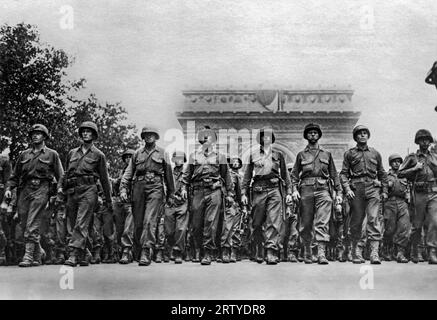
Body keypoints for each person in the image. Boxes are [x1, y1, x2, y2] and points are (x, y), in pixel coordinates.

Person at [5, 124, 64, 267]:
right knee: (24, 221)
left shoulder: (52, 154)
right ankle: (39, 254)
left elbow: (61, 175)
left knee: (32, 222)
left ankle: (29, 256)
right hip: (25, 189)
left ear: (44, 136)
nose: (35, 136)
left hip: (42, 188)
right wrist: (8, 188)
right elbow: (15, 175)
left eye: (38, 133)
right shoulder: (24, 154)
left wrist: (60, 189)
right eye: (33, 133)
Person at [120, 126, 175, 266]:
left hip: (155, 187)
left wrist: (171, 194)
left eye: (152, 135)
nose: (149, 137)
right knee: (138, 221)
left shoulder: (162, 153)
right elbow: (128, 173)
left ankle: (146, 250)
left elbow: (169, 175)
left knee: (149, 220)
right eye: (146, 135)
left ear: (156, 137)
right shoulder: (137, 153)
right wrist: (123, 190)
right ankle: (136, 250)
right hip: (138, 187)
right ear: (143, 137)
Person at [181, 126, 233, 266]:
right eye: (203, 136)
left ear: (214, 140)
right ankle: (197, 249)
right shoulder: (193, 156)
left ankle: (208, 252)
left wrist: (230, 194)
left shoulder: (220, 157)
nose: (206, 138)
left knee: (211, 223)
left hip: (214, 191)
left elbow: (226, 176)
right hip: (197, 191)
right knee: (197, 224)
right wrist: (183, 188)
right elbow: (186, 175)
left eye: (209, 135)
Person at [62, 121, 112, 267]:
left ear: (94, 135)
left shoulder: (99, 155)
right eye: (83, 131)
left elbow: (104, 178)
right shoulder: (72, 153)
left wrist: (108, 199)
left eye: (89, 131)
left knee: (80, 221)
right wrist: (62, 191)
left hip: (89, 190)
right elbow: (66, 174)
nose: (85, 133)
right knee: (78, 223)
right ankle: (87, 252)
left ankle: (73, 254)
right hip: (73, 190)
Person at [290, 123, 342, 264]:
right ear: (306, 136)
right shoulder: (301, 155)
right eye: (310, 132)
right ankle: (307, 251)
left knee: (322, 222)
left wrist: (338, 194)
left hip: (323, 189)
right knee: (306, 223)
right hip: (306, 189)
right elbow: (294, 176)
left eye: (315, 132)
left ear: (319, 135)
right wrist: (294, 190)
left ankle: (321, 253)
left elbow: (334, 175)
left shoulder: (327, 154)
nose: (312, 134)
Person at [241, 127, 293, 265]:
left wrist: (288, 192)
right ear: (261, 139)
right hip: (258, 189)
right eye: (264, 136)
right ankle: (258, 249)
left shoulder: (278, 155)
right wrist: (243, 193)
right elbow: (246, 177)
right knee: (257, 222)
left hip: (275, 188)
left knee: (273, 221)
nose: (266, 139)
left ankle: (271, 251)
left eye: (269, 136)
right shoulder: (253, 155)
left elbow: (285, 176)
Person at [340, 125, 388, 264]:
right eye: (360, 133)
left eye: (365, 133)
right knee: (357, 221)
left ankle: (374, 253)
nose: (362, 135)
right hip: (357, 189)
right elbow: (343, 174)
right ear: (355, 137)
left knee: (373, 219)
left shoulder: (375, 153)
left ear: (368, 136)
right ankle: (357, 252)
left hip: (373, 188)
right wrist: (347, 189)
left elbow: (382, 174)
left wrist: (384, 191)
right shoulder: (350, 154)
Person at [398, 129, 437, 264]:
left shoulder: (435, 157)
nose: (425, 142)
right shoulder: (412, 157)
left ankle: (432, 251)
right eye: (422, 139)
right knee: (417, 225)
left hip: (433, 193)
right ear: (418, 142)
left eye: (427, 139)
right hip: (419, 193)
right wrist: (414, 169)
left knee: (434, 221)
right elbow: (400, 173)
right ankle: (415, 250)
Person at [382, 154, 411, 263]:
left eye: (399, 161)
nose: (396, 163)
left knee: (404, 227)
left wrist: (408, 195)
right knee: (389, 229)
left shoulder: (404, 175)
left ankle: (400, 253)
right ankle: (387, 251)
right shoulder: (386, 175)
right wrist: (384, 191)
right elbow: (383, 187)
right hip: (390, 203)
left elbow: (408, 187)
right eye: (394, 161)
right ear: (390, 163)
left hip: (402, 202)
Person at [164, 151, 189, 264]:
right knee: (169, 230)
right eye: (176, 158)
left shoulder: (187, 172)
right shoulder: (169, 172)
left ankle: (178, 252)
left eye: (180, 158)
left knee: (180, 229)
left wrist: (185, 191)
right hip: (170, 202)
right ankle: (170, 250)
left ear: (184, 159)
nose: (178, 160)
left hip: (182, 203)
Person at [114, 149, 135, 264]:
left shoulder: (136, 171)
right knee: (119, 228)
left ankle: (127, 251)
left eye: (130, 157)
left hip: (131, 202)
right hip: (120, 201)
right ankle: (121, 250)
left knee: (128, 227)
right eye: (126, 157)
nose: (128, 159)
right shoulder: (121, 172)